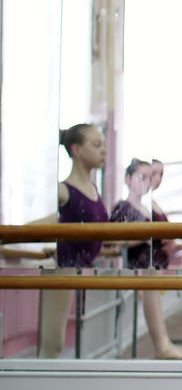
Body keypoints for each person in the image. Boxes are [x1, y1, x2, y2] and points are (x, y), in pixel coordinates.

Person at [109, 158, 182, 360]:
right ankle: (162, 345)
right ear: (129, 179)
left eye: (150, 177)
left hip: (152, 266)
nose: (148, 182)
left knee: (155, 297)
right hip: (140, 268)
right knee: (151, 295)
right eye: (143, 177)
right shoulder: (123, 207)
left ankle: (164, 344)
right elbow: (113, 241)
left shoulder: (146, 208)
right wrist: (142, 237)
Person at [39, 124, 109, 358]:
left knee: (80, 339)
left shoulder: (93, 189)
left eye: (104, 145)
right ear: (76, 149)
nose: (104, 151)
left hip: (84, 270)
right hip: (64, 270)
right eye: (96, 145)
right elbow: (47, 220)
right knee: (54, 342)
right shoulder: (63, 191)